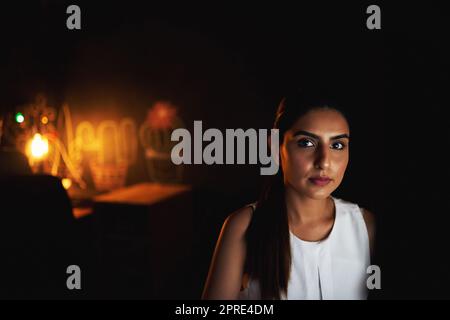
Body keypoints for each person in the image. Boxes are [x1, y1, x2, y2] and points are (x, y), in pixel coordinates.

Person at [201, 90, 376, 300]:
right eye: (306, 143)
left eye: (337, 145)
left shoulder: (365, 225)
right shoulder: (243, 226)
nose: (324, 161)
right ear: (276, 147)